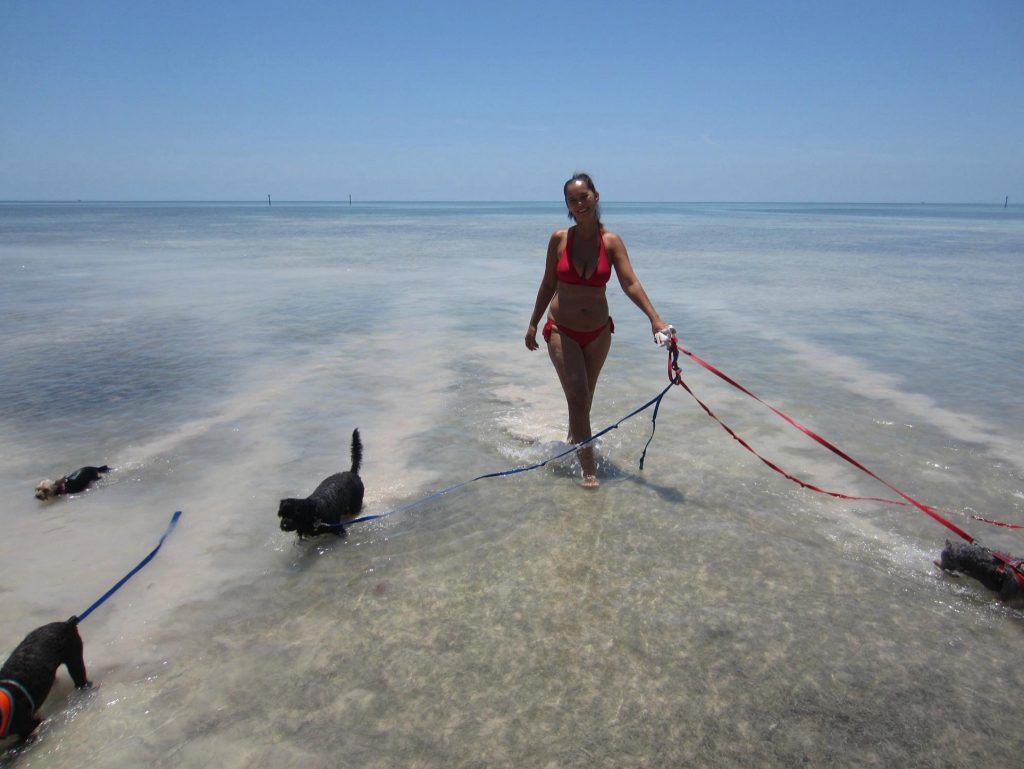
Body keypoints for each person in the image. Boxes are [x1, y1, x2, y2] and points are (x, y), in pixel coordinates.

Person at [525, 172, 671, 488]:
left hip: (598, 333)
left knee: (584, 399)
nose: (579, 204)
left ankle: (573, 441)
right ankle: (589, 472)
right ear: (567, 205)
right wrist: (533, 323)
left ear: (596, 197)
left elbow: (630, 282)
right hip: (561, 330)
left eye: (584, 197)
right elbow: (549, 283)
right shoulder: (560, 239)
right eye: (572, 200)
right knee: (578, 396)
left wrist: (655, 320)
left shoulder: (611, 242)